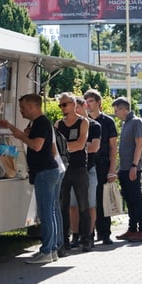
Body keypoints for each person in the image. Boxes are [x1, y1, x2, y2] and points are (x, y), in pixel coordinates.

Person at [0, 94, 61, 264]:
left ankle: (47, 251)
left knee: (46, 214)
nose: (21, 111)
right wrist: (19, 131)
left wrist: (18, 134)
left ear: (33, 107)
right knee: (49, 213)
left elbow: (36, 145)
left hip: (45, 172)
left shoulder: (41, 123)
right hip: (47, 171)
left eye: (23, 108)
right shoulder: (37, 123)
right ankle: (52, 249)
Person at [55, 92, 92, 252]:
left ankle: (86, 239)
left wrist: (63, 148)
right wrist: (62, 148)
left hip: (79, 168)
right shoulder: (58, 124)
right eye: (60, 105)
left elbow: (80, 144)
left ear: (73, 104)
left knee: (83, 205)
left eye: (65, 104)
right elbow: (54, 146)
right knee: (63, 205)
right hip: (63, 169)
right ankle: (64, 241)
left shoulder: (83, 122)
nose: (62, 107)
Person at [83, 89, 118, 245]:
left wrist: (112, 169)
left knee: (102, 198)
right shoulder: (83, 121)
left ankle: (104, 233)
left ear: (98, 102)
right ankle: (88, 233)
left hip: (103, 163)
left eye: (91, 101)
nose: (88, 104)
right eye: (86, 101)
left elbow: (113, 147)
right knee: (89, 200)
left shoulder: (108, 121)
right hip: (87, 163)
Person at [111, 97, 142, 242]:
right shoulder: (126, 123)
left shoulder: (136, 122)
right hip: (125, 168)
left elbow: (139, 144)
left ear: (124, 109)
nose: (115, 113)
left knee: (136, 199)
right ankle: (132, 229)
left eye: (116, 110)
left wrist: (134, 166)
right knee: (129, 199)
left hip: (133, 168)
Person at [68, 96, 100, 248]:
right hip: (71, 168)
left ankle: (90, 234)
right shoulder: (66, 123)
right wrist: (79, 144)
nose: (75, 112)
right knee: (73, 205)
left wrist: (79, 145)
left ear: (84, 107)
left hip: (89, 169)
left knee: (90, 204)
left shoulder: (94, 126)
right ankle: (75, 235)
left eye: (77, 108)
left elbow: (94, 148)